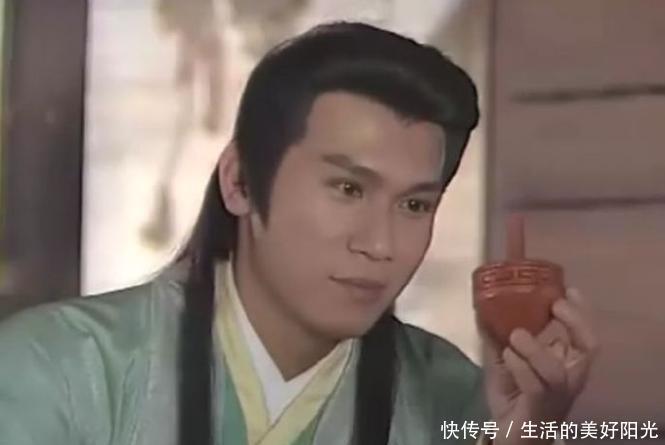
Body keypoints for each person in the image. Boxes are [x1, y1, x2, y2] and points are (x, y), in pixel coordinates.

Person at [0, 22, 597, 444]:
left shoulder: (456, 401)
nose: (381, 245)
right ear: (240, 182)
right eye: (348, 189)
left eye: (415, 204)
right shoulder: (58, 371)